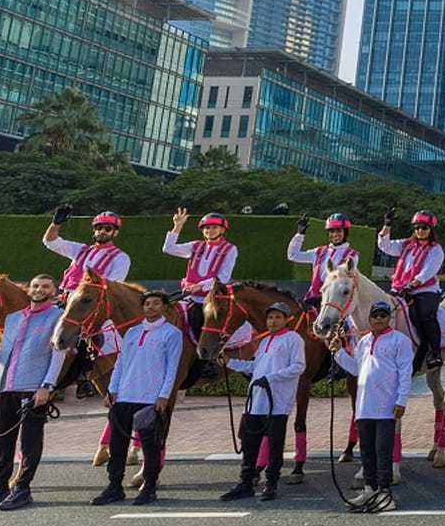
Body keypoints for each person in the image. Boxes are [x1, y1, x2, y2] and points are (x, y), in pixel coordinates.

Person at [0, 274, 67, 511]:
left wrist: (47, 386)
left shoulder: (58, 317)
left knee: (30, 441)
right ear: (29, 289)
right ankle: (0, 487)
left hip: (33, 389)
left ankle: (22, 489)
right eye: (36, 286)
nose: (39, 290)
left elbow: (58, 353)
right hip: (6, 387)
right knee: (3, 440)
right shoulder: (13, 318)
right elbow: (6, 351)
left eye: (45, 287)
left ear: (53, 291)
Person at [91, 291, 182, 508]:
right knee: (118, 445)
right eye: (147, 304)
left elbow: (172, 367)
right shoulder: (131, 332)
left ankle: (149, 486)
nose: (151, 307)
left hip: (151, 398)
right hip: (124, 396)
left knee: (150, 446)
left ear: (164, 307)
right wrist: (112, 390)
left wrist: (163, 396)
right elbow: (121, 363)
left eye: (156, 303)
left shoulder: (171, 333)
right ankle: (114, 486)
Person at [219, 302, 306, 503]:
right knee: (250, 445)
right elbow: (255, 366)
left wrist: (271, 378)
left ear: (286, 320)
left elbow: (298, 367)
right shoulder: (265, 341)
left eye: (277, 317)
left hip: (277, 402)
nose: (273, 321)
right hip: (256, 400)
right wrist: (230, 362)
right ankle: (246, 483)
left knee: (275, 445)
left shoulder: (293, 339)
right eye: (270, 317)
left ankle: (271, 483)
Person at [331, 301, 414, 510]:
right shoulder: (364, 342)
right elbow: (356, 369)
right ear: (369, 319)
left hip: (387, 407)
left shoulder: (399, 341)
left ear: (389, 318)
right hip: (364, 407)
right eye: (375, 315)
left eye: (383, 315)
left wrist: (401, 400)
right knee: (366, 451)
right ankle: (370, 489)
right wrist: (339, 353)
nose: (378, 319)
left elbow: (405, 372)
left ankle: (385, 494)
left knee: (383, 451)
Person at [44, 205, 131, 395]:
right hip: (65, 299)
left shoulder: (121, 258)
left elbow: (113, 285)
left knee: (91, 336)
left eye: (107, 229)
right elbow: (50, 241)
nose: (102, 232)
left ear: (115, 233)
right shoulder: (81, 250)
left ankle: (84, 376)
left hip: (89, 305)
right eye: (99, 228)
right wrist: (56, 224)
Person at [380, 209, 445, 372]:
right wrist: (387, 225)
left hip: (424, 291)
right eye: (417, 228)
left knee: (426, 316)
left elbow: (428, 271)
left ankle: (434, 353)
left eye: (424, 228)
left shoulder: (436, 249)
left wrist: (413, 284)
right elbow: (384, 245)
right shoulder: (405, 245)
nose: (420, 231)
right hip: (399, 290)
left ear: (431, 230)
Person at [163, 208, 240, 344]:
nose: (210, 231)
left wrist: (199, 286)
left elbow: (224, 277)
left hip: (212, 300)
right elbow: (168, 248)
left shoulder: (230, 249)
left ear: (222, 230)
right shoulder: (196, 245)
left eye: (214, 228)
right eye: (207, 228)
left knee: (204, 332)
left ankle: (207, 361)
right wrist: (177, 226)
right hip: (189, 298)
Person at [288, 213, 358, 307]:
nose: (335, 234)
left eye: (338, 231)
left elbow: (345, 282)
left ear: (345, 232)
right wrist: (300, 234)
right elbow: (293, 255)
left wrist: (323, 298)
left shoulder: (352, 255)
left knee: (348, 322)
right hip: (311, 301)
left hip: (336, 304)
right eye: (331, 231)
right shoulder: (319, 251)